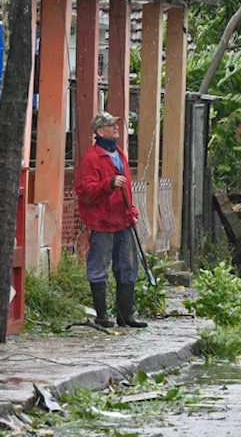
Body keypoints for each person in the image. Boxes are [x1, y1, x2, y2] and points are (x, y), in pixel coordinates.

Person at [75, 112, 148, 329]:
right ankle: (102, 315)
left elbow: (126, 188)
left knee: (128, 266)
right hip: (102, 222)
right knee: (99, 266)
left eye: (116, 124)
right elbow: (85, 192)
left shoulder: (120, 154)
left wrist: (131, 210)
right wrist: (108, 184)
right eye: (110, 125)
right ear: (99, 132)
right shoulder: (91, 159)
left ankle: (125, 315)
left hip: (123, 219)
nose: (116, 128)